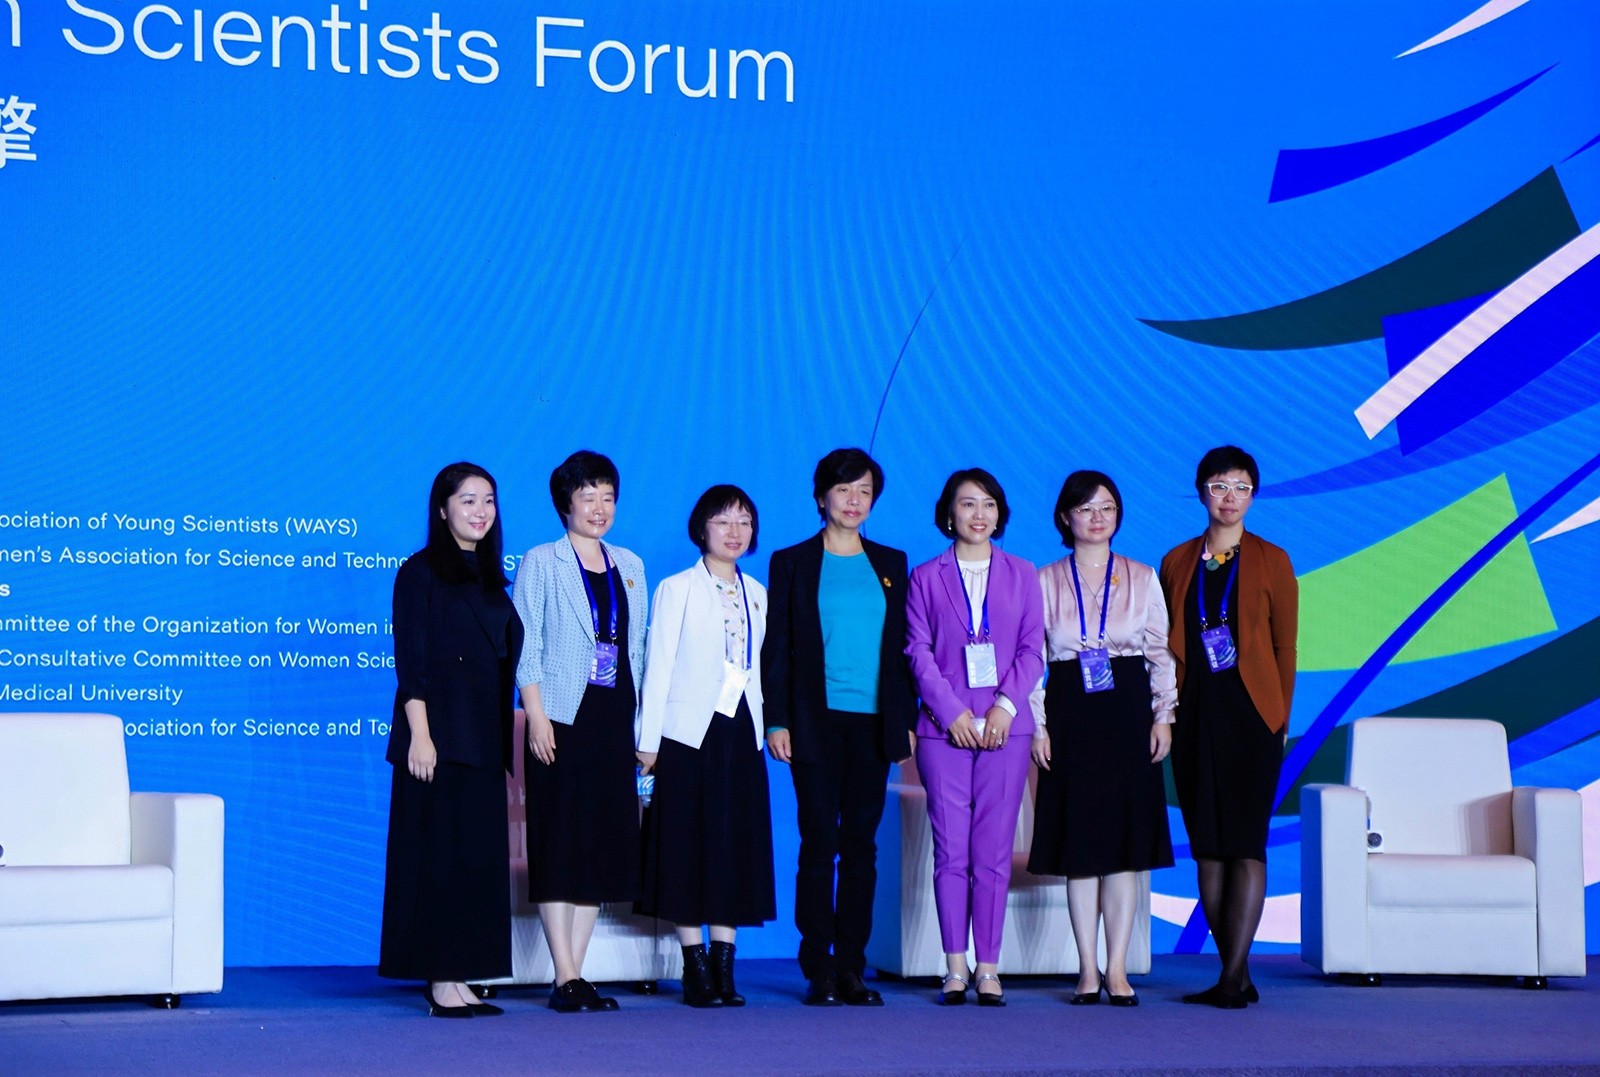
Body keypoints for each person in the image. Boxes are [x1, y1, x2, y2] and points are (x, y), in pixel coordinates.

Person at [762, 447, 916, 1007]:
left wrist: (905, 721)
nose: (854, 501)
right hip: (813, 721)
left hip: (874, 723)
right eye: (844, 489)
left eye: (865, 492)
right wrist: (776, 720)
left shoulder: (892, 562)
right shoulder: (792, 562)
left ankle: (852, 965)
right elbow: (776, 647)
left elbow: (903, 651)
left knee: (860, 847)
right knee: (818, 842)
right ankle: (818, 966)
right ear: (821, 496)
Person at [379, 462, 524, 1018]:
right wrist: (421, 735)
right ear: (442, 510)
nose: (480, 511)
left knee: (474, 865)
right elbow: (411, 662)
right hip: (437, 742)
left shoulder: (491, 577)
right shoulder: (419, 573)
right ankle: (441, 980)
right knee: (439, 861)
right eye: (467, 500)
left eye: (488, 500)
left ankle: (462, 974)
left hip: (484, 739)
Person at [1027, 470, 1175, 1007]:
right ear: (1065, 516)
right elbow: (1032, 659)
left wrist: (1163, 715)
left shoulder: (1142, 575)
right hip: (1070, 711)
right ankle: (1087, 969)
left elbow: (1159, 651)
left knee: (1124, 850)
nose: (1097, 517)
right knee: (1081, 848)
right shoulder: (1043, 580)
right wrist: (1038, 724)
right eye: (1085, 508)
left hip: (1128, 711)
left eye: (1107, 507)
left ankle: (1117, 969)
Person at [1159, 446, 1298, 1009]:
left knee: (1245, 844)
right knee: (1208, 849)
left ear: (1253, 496)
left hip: (1252, 716)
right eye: (1219, 486)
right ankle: (1234, 976)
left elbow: (1285, 646)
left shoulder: (1272, 559)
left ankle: (1232, 978)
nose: (1230, 498)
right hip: (1194, 711)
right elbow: (1163, 643)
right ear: (1202, 493)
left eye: (1241, 487)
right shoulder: (1176, 561)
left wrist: (1279, 714)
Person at [512, 450, 648, 1013]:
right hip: (562, 717)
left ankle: (578, 973)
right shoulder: (542, 561)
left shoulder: (631, 564)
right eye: (587, 496)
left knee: (601, 843)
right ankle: (564, 974)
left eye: (607, 496)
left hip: (614, 717)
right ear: (564, 502)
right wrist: (537, 716)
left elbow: (637, 649)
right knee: (559, 839)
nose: (599, 507)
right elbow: (526, 644)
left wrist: (644, 729)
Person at [904, 468, 1044, 1007]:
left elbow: (1032, 649)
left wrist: (1005, 708)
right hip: (945, 732)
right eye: (967, 504)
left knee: (992, 853)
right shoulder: (925, 576)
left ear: (999, 513)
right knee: (951, 853)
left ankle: (988, 967)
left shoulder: (1022, 573)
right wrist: (952, 713)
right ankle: (955, 967)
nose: (978, 514)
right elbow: (917, 651)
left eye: (988, 504)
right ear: (949, 514)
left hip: (1006, 730)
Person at [635, 485, 776, 1008]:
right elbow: (658, 667)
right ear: (702, 528)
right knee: (686, 845)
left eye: (744, 521)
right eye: (723, 521)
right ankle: (694, 964)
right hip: (687, 733)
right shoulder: (677, 589)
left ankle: (724, 965)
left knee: (733, 844)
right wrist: (648, 741)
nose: (734, 531)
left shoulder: (757, 592)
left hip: (742, 730)